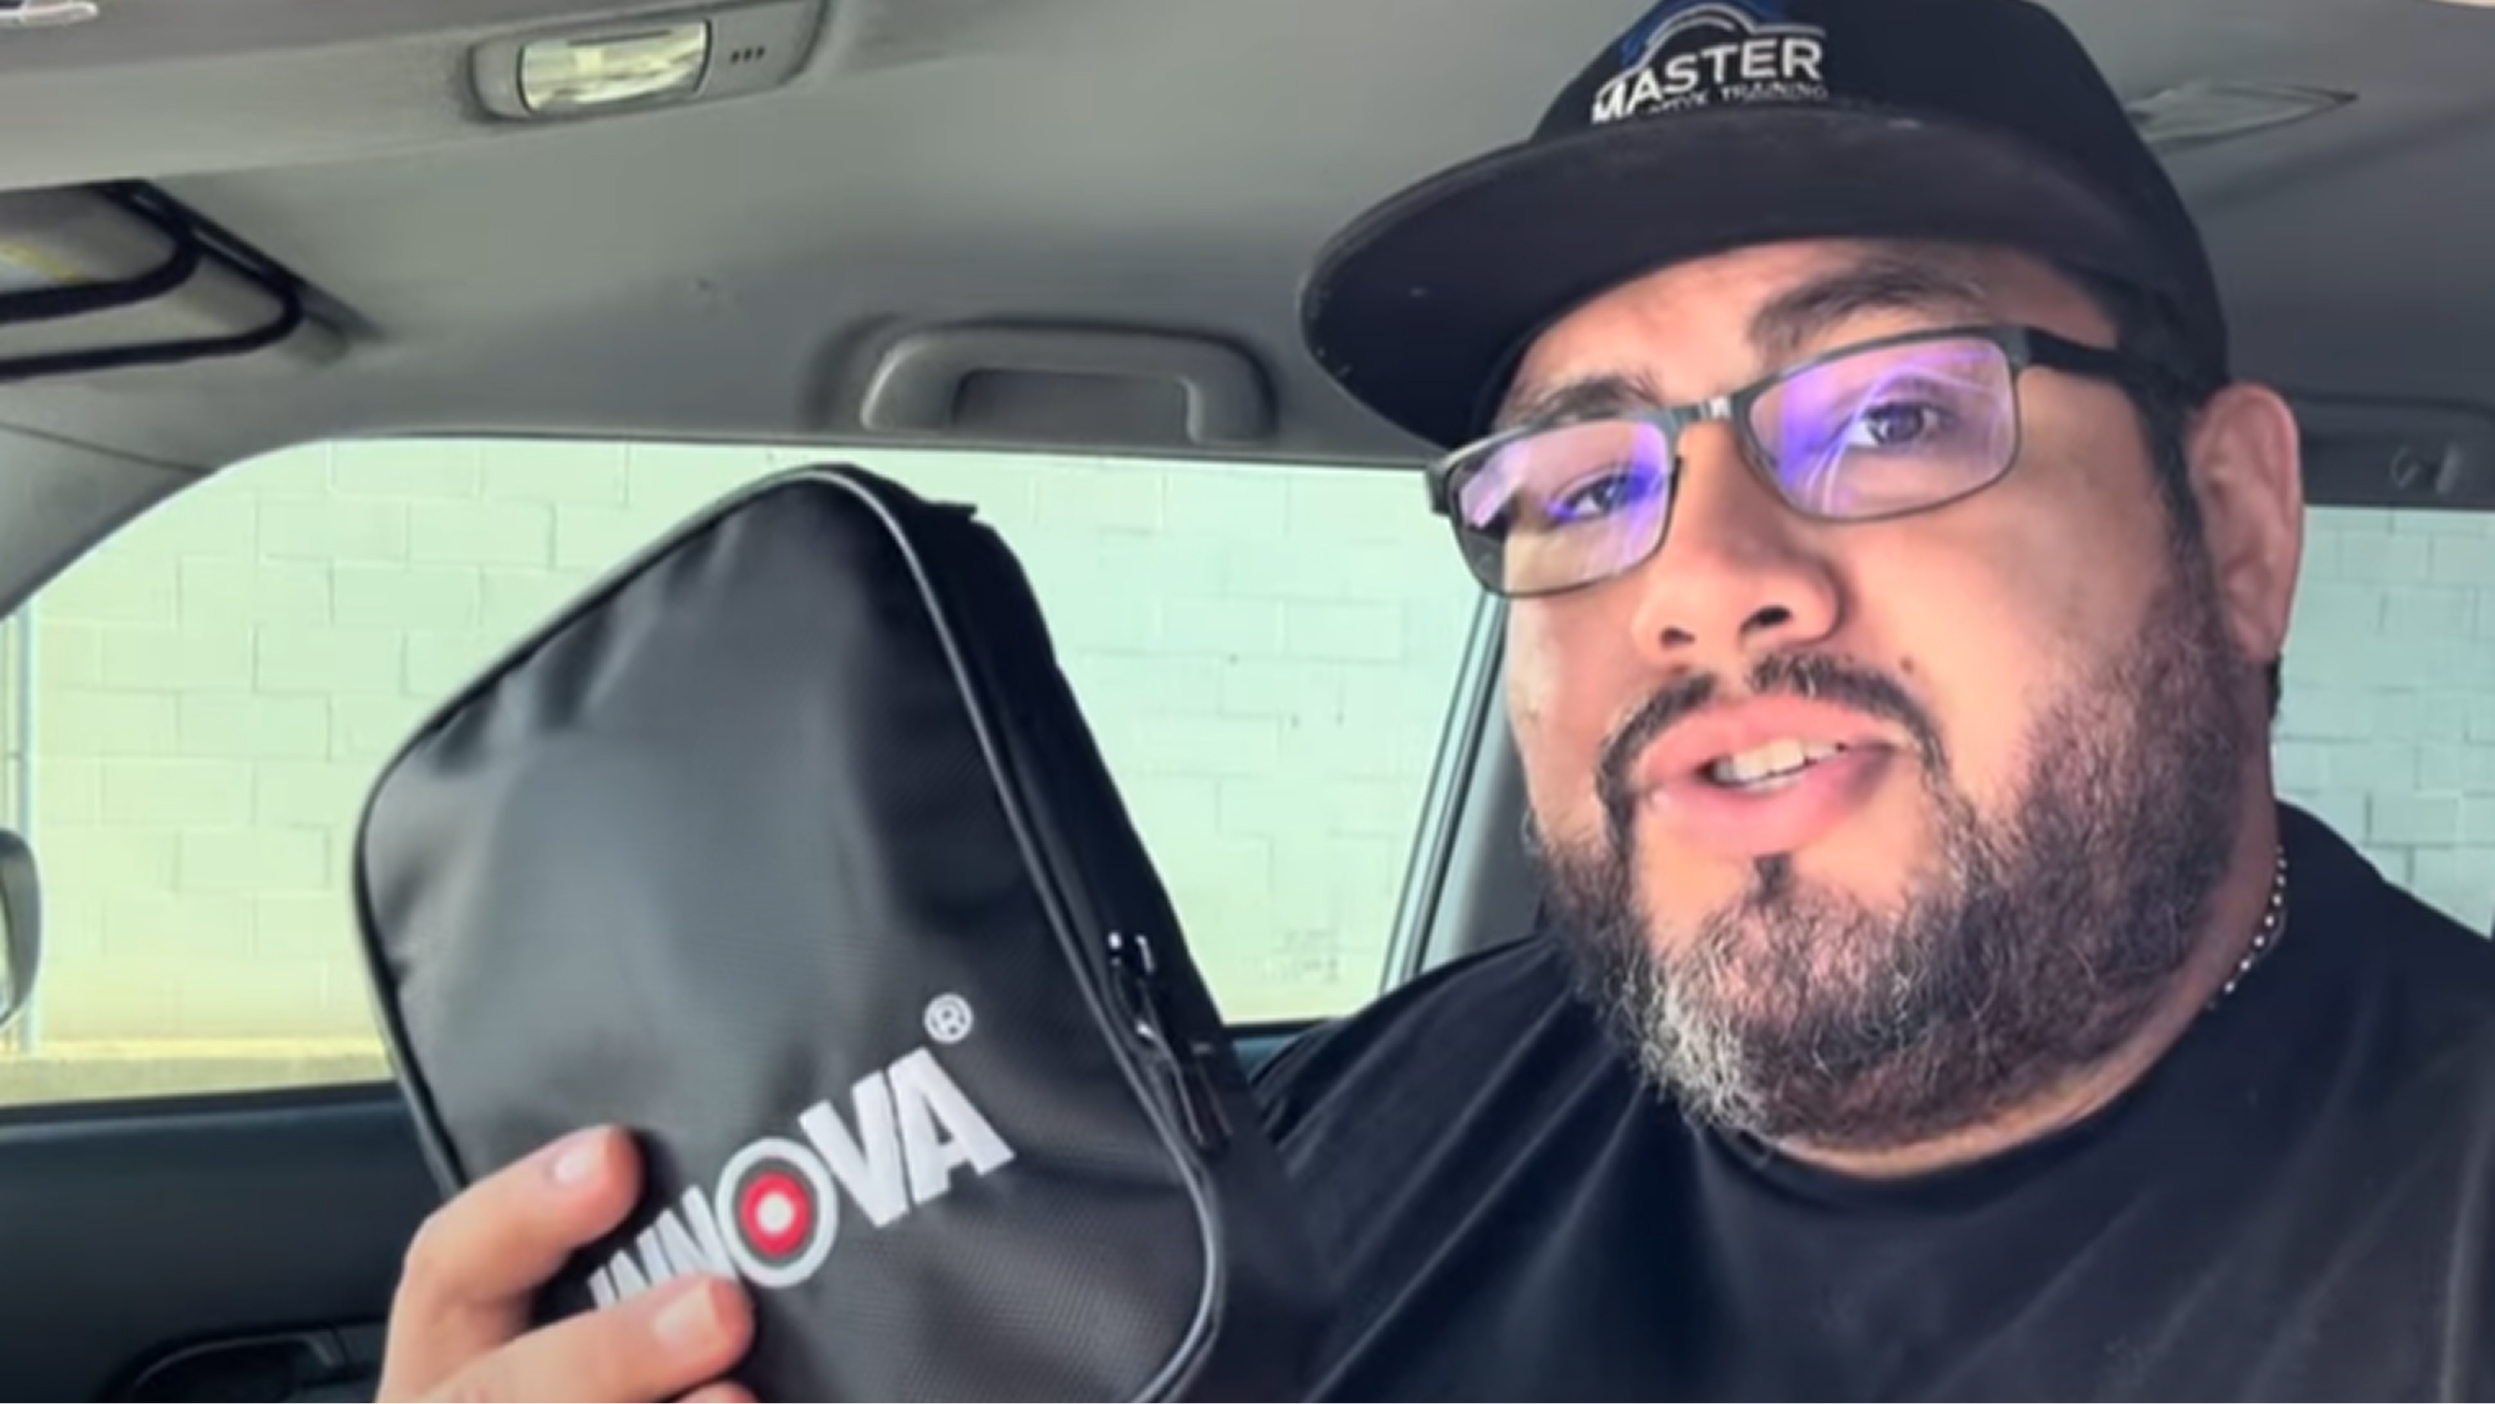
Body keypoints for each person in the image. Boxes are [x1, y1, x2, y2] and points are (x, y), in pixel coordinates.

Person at [374, 0, 2495, 1399]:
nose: (1713, 585)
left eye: (1890, 410)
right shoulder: (1364, 1133)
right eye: (1583, 482)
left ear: (2232, 526)